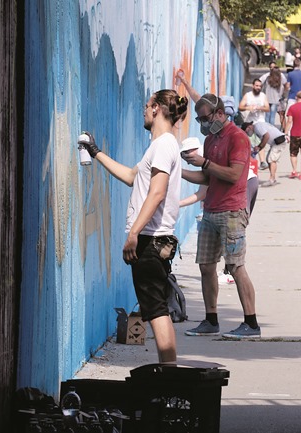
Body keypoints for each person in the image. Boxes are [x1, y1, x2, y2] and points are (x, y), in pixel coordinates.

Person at [78, 90, 188, 362]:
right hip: (153, 239)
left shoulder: (163, 145)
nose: (143, 110)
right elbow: (130, 176)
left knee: (156, 310)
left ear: (157, 109)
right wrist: (96, 152)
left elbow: (157, 192)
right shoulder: (159, 146)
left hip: (151, 239)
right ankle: (168, 372)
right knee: (155, 309)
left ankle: (169, 375)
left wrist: (134, 233)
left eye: (146, 105)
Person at [181, 93, 261, 339]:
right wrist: (180, 172)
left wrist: (203, 163)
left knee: (236, 267)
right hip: (211, 210)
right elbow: (208, 178)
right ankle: (210, 320)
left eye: (205, 118)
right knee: (206, 266)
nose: (203, 123)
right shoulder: (211, 140)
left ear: (219, 113)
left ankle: (251, 323)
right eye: (199, 119)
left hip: (232, 212)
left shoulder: (238, 138)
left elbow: (233, 175)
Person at [242, 121, 287, 187]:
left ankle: (272, 179)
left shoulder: (257, 127)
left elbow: (266, 136)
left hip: (279, 141)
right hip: (276, 142)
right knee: (268, 158)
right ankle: (272, 178)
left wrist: (259, 147)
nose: (247, 133)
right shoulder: (258, 127)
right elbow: (263, 139)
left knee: (271, 159)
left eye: (246, 131)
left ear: (249, 127)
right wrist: (258, 148)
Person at [239, 79, 270, 170]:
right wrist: (249, 107)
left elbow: (267, 108)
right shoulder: (248, 96)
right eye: (257, 86)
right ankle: (251, 161)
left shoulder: (263, 96)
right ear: (253, 86)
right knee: (250, 143)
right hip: (249, 124)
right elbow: (240, 106)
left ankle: (262, 161)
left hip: (260, 122)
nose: (258, 88)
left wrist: (260, 107)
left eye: (260, 86)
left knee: (260, 142)